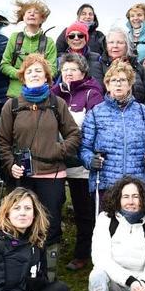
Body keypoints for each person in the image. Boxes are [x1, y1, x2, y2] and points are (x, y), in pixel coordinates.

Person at [0, 53, 81, 280]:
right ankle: (21, 272)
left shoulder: (57, 103)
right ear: (23, 77)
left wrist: (58, 150)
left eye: (39, 71)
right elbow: (1, 140)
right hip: (22, 176)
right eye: (30, 71)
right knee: (21, 221)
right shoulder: (12, 106)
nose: (34, 74)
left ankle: (47, 275)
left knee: (50, 224)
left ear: (47, 77)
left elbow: (74, 134)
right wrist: (10, 164)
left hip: (52, 175)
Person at [80, 60, 145, 200]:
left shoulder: (142, 111)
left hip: (137, 185)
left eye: (123, 80)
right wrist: (90, 160)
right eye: (114, 80)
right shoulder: (95, 113)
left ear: (130, 85)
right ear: (107, 85)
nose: (118, 84)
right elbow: (84, 147)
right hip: (106, 184)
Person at [52, 53, 104, 271]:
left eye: (73, 69)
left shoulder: (92, 93)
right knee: (54, 205)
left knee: (84, 209)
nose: (69, 73)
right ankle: (52, 250)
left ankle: (84, 252)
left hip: (81, 161)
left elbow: (96, 127)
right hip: (56, 159)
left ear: (83, 72)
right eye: (65, 70)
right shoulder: (54, 93)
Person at [0, 0, 57, 100]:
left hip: (41, 97)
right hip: (15, 95)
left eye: (36, 12)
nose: (32, 14)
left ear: (42, 19)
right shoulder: (14, 38)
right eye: (28, 12)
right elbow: (4, 65)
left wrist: (36, 76)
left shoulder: (49, 42)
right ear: (23, 17)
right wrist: (21, 74)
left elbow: (53, 69)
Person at [104, 26, 145, 109]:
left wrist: (142, 112)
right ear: (106, 45)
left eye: (120, 42)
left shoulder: (137, 67)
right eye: (111, 42)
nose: (115, 46)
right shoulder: (100, 65)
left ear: (127, 45)